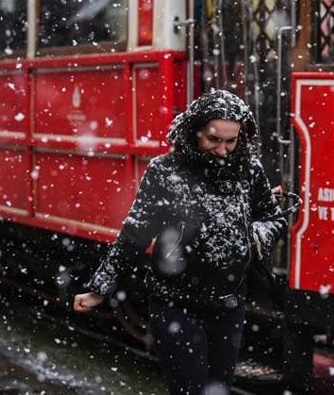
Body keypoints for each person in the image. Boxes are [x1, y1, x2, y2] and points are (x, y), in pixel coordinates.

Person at [73, 90, 287, 395]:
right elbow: (135, 233)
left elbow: (272, 217)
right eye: (214, 139)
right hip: (175, 304)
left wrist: (257, 235)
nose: (222, 150)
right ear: (195, 130)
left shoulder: (249, 170)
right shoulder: (166, 171)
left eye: (231, 141)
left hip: (228, 305)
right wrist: (100, 288)